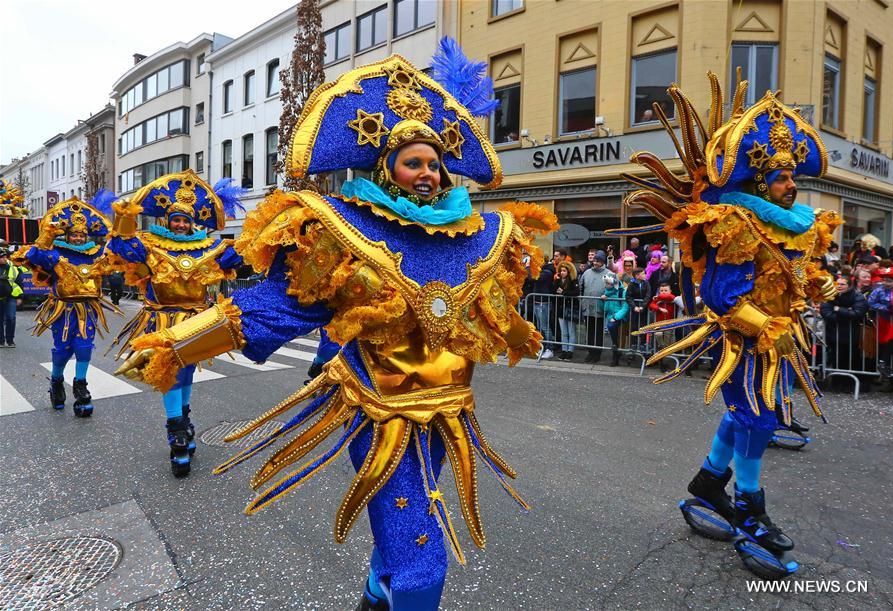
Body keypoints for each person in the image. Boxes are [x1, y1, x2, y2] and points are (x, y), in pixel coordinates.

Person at [115, 41, 554, 610]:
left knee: (412, 511)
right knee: (422, 559)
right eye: (413, 162)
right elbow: (274, 307)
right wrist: (178, 344)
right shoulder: (341, 228)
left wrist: (524, 337)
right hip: (377, 412)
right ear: (385, 166)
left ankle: (376, 591)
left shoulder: (481, 233)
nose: (428, 173)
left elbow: (492, 310)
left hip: (448, 411)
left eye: (434, 163)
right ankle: (398, 585)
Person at [616, 73, 841, 577]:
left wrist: (819, 286)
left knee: (748, 416)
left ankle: (708, 482)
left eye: (791, 176)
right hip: (746, 341)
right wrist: (765, 325)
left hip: (782, 339)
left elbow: (798, 276)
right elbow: (723, 297)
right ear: (761, 182)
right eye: (781, 178)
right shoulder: (733, 223)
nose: (791, 184)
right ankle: (750, 508)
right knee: (759, 421)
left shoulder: (795, 225)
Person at [106, 170, 245, 477]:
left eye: (186, 220)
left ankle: (183, 418)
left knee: (185, 373)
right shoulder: (150, 244)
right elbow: (120, 247)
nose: (181, 225)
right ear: (167, 220)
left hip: (195, 320)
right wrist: (124, 218)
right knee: (169, 372)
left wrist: (253, 244)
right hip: (162, 319)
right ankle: (177, 431)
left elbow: (235, 260)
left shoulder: (207, 247)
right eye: (176, 219)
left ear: (193, 222)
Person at [12, 192, 122, 413]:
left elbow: (115, 259)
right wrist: (47, 235)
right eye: (74, 235)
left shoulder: (96, 253)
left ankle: (81, 388)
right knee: (62, 349)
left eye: (82, 235)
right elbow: (34, 256)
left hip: (88, 308)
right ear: (68, 235)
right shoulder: (56, 253)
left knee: (84, 348)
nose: (79, 238)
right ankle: (56, 381)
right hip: (63, 309)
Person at [820, 276, 867, 372]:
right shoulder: (829, 295)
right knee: (836, 358)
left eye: (842, 284)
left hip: (852, 334)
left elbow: (858, 313)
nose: (839, 286)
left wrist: (839, 309)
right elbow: (826, 313)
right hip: (833, 333)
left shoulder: (857, 296)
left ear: (849, 286)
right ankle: (836, 381)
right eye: (837, 284)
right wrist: (847, 313)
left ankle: (849, 382)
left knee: (851, 359)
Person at [578, 254, 616, 363]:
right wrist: (582, 302)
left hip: (600, 308)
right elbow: (581, 287)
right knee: (589, 331)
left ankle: (597, 354)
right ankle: (590, 353)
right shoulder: (587, 273)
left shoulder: (609, 274)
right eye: (594, 261)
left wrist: (607, 296)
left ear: (603, 262)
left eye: (598, 261)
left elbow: (615, 290)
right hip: (587, 307)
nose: (595, 263)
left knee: (598, 332)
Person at [867, 268, 893, 382]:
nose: (886, 283)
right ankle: (883, 367)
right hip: (883, 320)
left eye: (889, 281)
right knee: (884, 344)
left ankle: (883, 363)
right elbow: (871, 302)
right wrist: (884, 308)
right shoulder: (878, 290)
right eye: (884, 280)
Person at [554, 260, 579, 360]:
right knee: (563, 331)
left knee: (571, 331)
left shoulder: (573, 280)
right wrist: (555, 281)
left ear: (568, 272)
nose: (562, 272)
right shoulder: (558, 280)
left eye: (564, 271)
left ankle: (570, 351)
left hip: (571, 308)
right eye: (561, 270)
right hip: (561, 308)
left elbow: (576, 292)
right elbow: (554, 290)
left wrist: (564, 292)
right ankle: (564, 350)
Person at [603, 276, 629, 366]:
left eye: (609, 283)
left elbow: (625, 307)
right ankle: (616, 353)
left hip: (618, 316)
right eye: (606, 283)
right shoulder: (606, 292)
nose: (607, 285)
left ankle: (616, 355)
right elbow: (605, 307)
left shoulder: (622, 291)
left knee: (616, 335)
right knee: (614, 337)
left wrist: (616, 317)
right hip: (610, 316)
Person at [533, 255, 556, 358]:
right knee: (539, 327)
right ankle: (542, 347)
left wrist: (531, 268)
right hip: (537, 301)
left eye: (537, 260)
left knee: (545, 327)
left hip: (544, 303)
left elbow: (535, 278)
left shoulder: (547, 272)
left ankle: (549, 348)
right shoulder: (542, 271)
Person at [0, 247, 24, 347]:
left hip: (11, 297)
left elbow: (19, 283)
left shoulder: (12, 268)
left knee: (11, 318)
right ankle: (1, 341)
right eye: (2, 257)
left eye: (5, 257)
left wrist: (20, 297)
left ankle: (10, 340)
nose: (5, 259)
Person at [625, 267, 651, 351]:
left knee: (643, 326)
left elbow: (648, 295)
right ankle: (633, 343)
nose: (645, 275)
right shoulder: (632, 284)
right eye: (643, 273)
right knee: (634, 326)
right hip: (634, 309)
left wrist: (643, 306)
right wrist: (634, 306)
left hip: (644, 308)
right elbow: (628, 296)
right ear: (637, 276)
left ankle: (643, 343)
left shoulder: (646, 283)